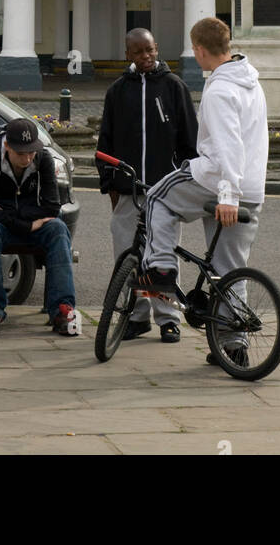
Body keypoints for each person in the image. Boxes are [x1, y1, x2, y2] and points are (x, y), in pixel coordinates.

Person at [139, 16, 268, 367]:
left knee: (156, 197)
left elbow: (229, 147)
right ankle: (234, 347)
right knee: (229, 269)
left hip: (217, 181)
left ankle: (161, 270)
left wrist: (227, 195)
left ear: (198, 49)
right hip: (252, 187)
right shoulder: (251, 82)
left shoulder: (220, 89)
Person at [96, 28, 198, 343]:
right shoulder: (118, 91)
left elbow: (190, 143)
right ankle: (136, 317)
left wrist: (185, 180)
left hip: (165, 190)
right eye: (139, 52)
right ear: (128, 54)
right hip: (129, 189)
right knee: (127, 255)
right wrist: (110, 184)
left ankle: (168, 318)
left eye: (151, 50)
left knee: (162, 255)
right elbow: (106, 141)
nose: (147, 57)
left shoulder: (173, 87)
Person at [0, 118, 80, 337]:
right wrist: (25, 224)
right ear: (7, 146)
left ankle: (61, 309)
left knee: (58, 229)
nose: (28, 158)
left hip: (21, 220)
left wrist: (22, 220)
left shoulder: (43, 159)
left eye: (31, 152)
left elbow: (51, 205)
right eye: (21, 153)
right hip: (2, 224)